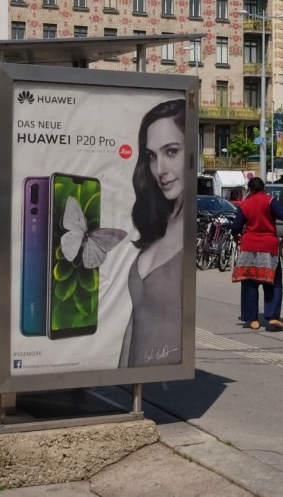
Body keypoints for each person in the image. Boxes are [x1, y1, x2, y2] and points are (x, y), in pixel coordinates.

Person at [120, 98, 186, 367]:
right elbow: (136, 320)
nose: (160, 169)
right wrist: (120, 380)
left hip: (167, 388)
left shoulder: (186, 234)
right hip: (136, 383)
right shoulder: (157, 225)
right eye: (152, 155)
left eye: (171, 151)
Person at [230, 177, 283, 331]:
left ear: (249, 189)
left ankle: (252, 320)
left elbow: (236, 227)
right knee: (273, 282)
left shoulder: (244, 205)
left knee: (250, 282)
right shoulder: (270, 201)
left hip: (249, 246)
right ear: (263, 188)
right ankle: (272, 316)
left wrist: (236, 235)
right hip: (268, 246)